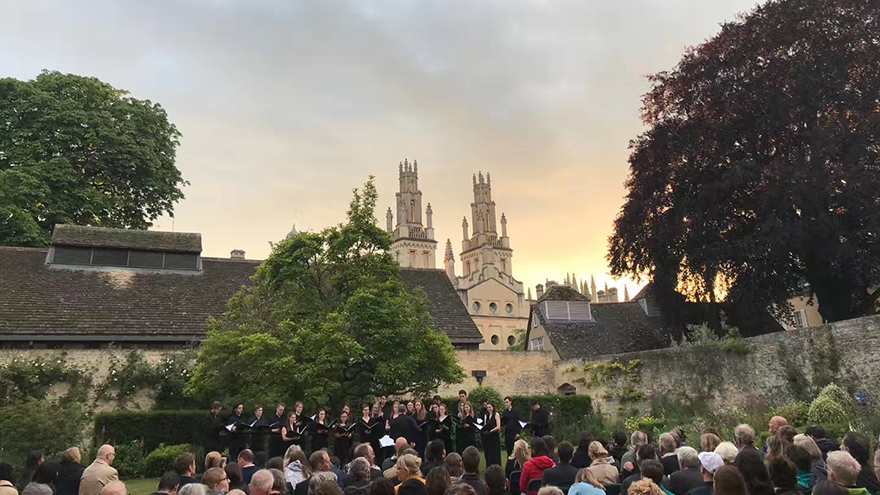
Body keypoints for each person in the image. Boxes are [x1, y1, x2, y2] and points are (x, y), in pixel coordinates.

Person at [483, 403, 503, 468]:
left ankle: (497, 467)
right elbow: (485, 425)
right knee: (489, 453)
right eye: (487, 407)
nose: (489, 409)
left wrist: (491, 431)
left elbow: (498, 426)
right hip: (488, 437)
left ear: (493, 407)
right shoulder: (486, 415)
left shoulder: (496, 414)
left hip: (494, 436)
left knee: (495, 453)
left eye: (490, 407)